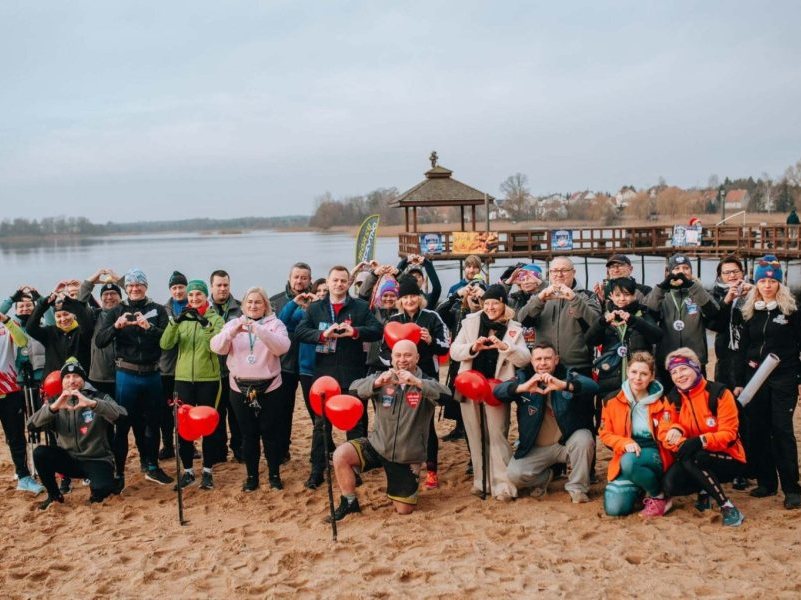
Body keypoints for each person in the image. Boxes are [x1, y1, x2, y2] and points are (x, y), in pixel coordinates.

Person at [327, 340, 451, 521]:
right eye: (398, 355)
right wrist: (376, 383)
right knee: (340, 455)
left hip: (406, 455)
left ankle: (401, 487)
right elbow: (352, 390)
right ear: (391, 358)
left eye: (408, 355)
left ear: (417, 358)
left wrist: (417, 383)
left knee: (404, 510)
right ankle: (349, 502)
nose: (403, 360)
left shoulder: (426, 381)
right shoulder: (382, 377)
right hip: (378, 445)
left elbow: (448, 397)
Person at [729, 256, 801, 509]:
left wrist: (798, 376)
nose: (767, 285)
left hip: (784, 378)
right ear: (756, 283)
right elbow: (741, 349)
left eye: (772, 281)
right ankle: (767, 482)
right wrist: (739, 381)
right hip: (754, 380)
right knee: (758, 430)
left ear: (779, 283)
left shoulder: (791, 312)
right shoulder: (749, 312)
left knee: (782, 430)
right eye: (763, 281)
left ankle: (792, 489)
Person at [450, 284, 531, 501]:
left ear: (504, 304)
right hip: (470, 386)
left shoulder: (513, 328)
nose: (490, 307)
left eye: (495, 303)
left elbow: (525, 358)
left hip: (497, 388)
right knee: (475, 435)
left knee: (497, 435)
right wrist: (472, 348)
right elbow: (454, 351)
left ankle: (503, 485)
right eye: (487, 303)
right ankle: (481, 482)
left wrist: (507, 348)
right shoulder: (471, 322)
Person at [95, 268, 173, 489]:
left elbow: (167, 340)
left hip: (152, 374)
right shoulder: (116, 311)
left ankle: (152, 466)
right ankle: (119, 472)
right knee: (123, 424)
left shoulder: (158, 310)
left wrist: (149, 328)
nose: (135, 288)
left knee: (153, 423)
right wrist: (116, 326)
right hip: (126, 374)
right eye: (130, 285)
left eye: (139, 284)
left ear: (145, 287)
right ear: (126, 288)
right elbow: (100, 341)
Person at [494, 342, 597, 503]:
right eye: (538, 359)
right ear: (532, 361)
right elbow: (498, 391)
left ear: (556, 360)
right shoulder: (524, 376)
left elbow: (593, 386)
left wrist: (564, 385)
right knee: (515, 475)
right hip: (537, 448)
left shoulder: (567, 374)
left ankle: (577, 488)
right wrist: (522, 387)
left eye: (548, 358)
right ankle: (547, 476)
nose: (543, 363)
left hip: (565, 444)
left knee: (584, 438)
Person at [211, 287, 290, 491]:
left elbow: (282, 347)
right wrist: (232, 333)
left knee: (270, 433)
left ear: (265, 305)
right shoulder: (233, 324)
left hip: (270, 387)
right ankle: (252, 477)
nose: (253, 306)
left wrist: (259, 330)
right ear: (244, 305)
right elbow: (217, 347)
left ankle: (274, 475)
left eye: (258, 302)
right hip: (239, 387)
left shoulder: (275, 324)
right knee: (248, 434)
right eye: (249, 302)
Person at [658, 348, 746, 526]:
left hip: (728, 457)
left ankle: (726, 506)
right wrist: (678, 432)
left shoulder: (719, 393)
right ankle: (704, 490)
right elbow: (664, 432)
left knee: (695, 456)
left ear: (696, 368)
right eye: (674, 372)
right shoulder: (672, 399)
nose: (679, 375)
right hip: (693, 456)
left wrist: (700, 441)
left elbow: (729, 434)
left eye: (683, 369)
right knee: (671, 484)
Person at [295, 265, 383, 440]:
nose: (339, 284)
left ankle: (357, 455)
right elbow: (300, 332)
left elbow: (378, 330)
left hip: (353, 374)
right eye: (335, 280)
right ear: (328, 282)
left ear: (349, 283)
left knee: (356, 422)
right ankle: (322, 457)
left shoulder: (360, 306)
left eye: (343, 281)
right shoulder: (315, 308)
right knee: (321, 424)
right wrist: (322, 335)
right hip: (324, 375)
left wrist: (355, 332)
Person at [378, 276, 450, 490]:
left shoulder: (432, 317)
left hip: (425, 376)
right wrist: (396, 366)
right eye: (405, 297)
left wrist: (431, 341)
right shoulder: (393, 321)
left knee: (426, 424)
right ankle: (401, 464)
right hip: (398, 379)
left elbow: (445, 347)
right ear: (400, 300)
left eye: (413, 296)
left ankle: (432, 469)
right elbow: (382, 352)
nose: (409, 300)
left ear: (420, 298)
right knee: (400, 420)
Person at [28, 358, 126, 510]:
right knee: (40, 453)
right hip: (69, 459)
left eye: (76, 376)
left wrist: (93, 404)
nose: (72, 381)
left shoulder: (98, 397)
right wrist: (53, 408)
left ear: (83, 380)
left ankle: (105, 484)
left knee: (101, 493)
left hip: (96, 459)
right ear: (62, 382)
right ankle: (54, 495)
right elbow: (31, 425)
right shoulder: (56, 401)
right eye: (67, 377)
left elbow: (123, 416)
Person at [160, 280, 224, 490]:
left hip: (209, 379)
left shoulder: (216, 319)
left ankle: (207, 471)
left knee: (208, 426)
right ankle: (188, 471)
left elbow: (215, 346)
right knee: (184, 426)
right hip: (183, 379)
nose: (194, 298)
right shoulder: (182, 319)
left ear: (206, 296)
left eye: (198, 294)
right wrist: (175, 322)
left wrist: (204, 323)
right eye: (191, 295)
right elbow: (165, 344)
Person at [598, 352, 672, 516]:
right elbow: (605, 434)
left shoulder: (663, 401)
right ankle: (641, 487)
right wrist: (624, 443)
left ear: (652, 376)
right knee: (615, 509)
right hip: (626, 454)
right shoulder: (611, 400)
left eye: (644, 374)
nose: (638, 378)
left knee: (630, 462)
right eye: (634, 372)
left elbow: (666, 431)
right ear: (627, 372)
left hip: (654, 454)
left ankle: (659, 496)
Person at [644, 253, 718, 388]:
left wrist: (692, 286)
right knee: (669, 397)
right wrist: (661, 287)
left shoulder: (699, 292)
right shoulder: (663, 294)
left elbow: (713, 312)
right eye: (677, 268)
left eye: (686, 268)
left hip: (695, 358)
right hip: (667, 359)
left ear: (691, 271)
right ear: (669, 272)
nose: (681, 272)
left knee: (697, 395)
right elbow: (648, 312)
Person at [584, 277, 662, 398]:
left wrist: (634, 320)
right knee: (611, 408)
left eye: (626, 294)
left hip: (639, 380)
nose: (622, 299)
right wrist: (602, 323)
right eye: (617, 295)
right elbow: (589, 340)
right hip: (610, 379)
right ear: (611, 296)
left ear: (634, 295)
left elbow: (657, 336)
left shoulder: (643, 313)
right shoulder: (606, 315)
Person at [269, 262, 313, 466]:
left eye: (304, 277)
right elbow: (274, 326)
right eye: (296, 277)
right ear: (289, 278)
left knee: (315, 409)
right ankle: (282, 449)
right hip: (284, 365)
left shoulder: (317, 301)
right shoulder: (276, 301)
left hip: (309, 365)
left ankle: (323, 449)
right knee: (283, 411)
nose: (299, 281)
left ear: (310, 280)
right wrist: (294, 304)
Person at [0, 309, 45, 494]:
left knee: (16, 437)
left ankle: (24, 477)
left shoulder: (6, 326)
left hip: (9, 391)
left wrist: (5, 319)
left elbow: (22, 341)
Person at [208, 269, 243, 463]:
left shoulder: (240, 308)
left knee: (237, 414)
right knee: (216, 413)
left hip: (235, 371)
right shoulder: (204, 309)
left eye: (226, 285)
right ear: (211, 286)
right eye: (219, 285)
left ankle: (239, 449)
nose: (222, 288)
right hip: (212, 371)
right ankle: (218, 452)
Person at [27, 281, 95, 376]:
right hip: (53, 381)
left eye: (66, 314)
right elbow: (30, 327)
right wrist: (47, 300)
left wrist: (70, 300)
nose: (63, 319)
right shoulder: (49, 332)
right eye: (58, 316)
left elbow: (84, 317)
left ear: (74, 315)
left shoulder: (83, 331)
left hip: (79, 380)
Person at [157, 271, 188, 461]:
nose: (178, 291)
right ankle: (168, 445)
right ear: (170, 290)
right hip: (166, 369)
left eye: (181, 287)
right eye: (174, 288)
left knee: (185, 410)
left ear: (186, 288)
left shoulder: (193, 306)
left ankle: (187, 445)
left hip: (186, 369)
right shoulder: (163, 310)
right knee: (165, 412)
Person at [78, 270, 123, 398]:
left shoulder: (128, 313)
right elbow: (80, 303)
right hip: (100, 376)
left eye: (113, 293)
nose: (109, 297)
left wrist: (120, 280)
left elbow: (135, 292)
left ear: (121, 297)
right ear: (101, 298)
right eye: (106, 294)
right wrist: (90, 282)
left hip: (125, 374)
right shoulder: (93, 315)